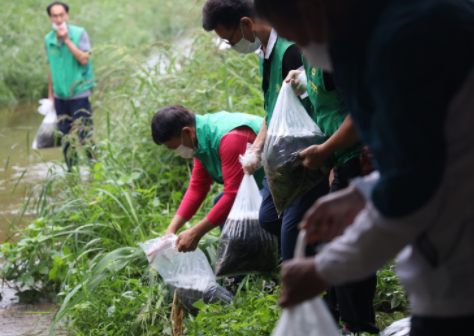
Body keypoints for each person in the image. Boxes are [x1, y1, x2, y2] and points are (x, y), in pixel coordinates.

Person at [254, 0, 474, 335]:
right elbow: (426, 149)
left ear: (314, 10)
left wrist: (323, 269)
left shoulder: (404, 40)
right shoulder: (367, 36)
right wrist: (359, 197)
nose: (302, 51)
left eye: (296, 36)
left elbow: (413, 187)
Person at [202, 0, 329, 262]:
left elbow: (318, 109)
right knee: (268, 217)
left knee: (290, 233)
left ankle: (319, 281)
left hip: (309, 156)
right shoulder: (264, 53)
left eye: (230, 39)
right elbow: (273, 110)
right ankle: (319, 256)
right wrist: (257, 148)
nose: (231, 46)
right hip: (285, 158)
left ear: (246, 24)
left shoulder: (291, 51)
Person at [283, 65, 378, 333]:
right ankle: (337, 316)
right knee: (332, 239)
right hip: (341, 157)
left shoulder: (336, 58)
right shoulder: (309, 53)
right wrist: (301, 72)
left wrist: (324, 151)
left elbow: (361, 115)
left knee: (348, 241)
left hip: (359, 156)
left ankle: (357, 325)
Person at [150, 105, 265, 253]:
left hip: (282, 176)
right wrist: (170, 232)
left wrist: (196, 232)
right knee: (219, 201)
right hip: (261, 180)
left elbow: (233, 194)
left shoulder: (230, 138)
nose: (174, 151)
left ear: (187, 132)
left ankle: (257, 260)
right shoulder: (200, 138)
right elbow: (198, 187)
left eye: (173, 146)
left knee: (242, 210)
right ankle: (238, 261)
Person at [45, 1, 95, 171]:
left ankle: (96, 170)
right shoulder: (48, 39)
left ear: (67, 15)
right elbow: (50, 67)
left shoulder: (79, 33)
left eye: (61, 15)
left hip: (79, 94)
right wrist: (51, 96)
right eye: (54, 15)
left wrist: (66, 39)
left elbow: (84, 59)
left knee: (84, 135)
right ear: (50, 17)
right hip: (60, 97)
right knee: (65, 138)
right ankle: (71, 174)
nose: (58, 19)